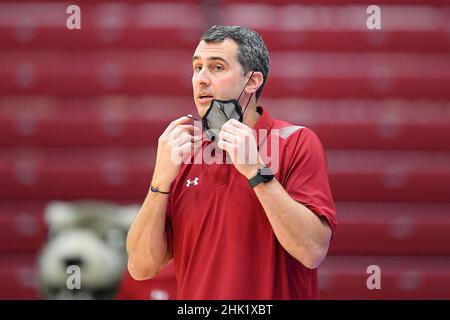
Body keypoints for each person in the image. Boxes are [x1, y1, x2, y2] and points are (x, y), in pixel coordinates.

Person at [126, 25, 337, 299]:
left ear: (252, 81)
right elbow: (141, 267)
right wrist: (160, 181)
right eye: (197, 67)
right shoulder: (183, 152)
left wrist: (255, 170)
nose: (201, 79)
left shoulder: (296, 141)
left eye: (216, 68)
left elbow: (313, 251)